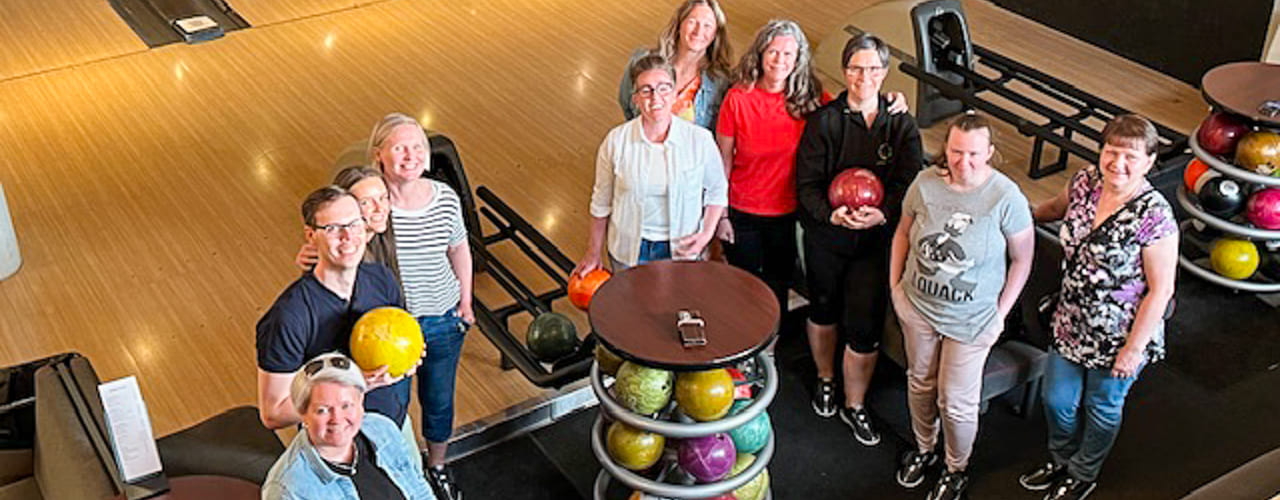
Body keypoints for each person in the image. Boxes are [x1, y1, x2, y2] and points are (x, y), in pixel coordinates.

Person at [1019, 114, 1178, 500]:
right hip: (1071, 320)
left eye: (1130, 156)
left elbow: (1161, 290)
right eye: (1111, 151)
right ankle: (1061, 458)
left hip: (1120, 334)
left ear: (1149, 162)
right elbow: (1053, 209)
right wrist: (1015, 215)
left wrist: (1133, 350)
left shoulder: (1154, 216)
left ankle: (1082, 472)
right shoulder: (1085, 182)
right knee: (1057, 400)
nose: (1118, 163)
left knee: (1102, 405)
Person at [715, 20, 908, 317]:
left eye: (788, 54)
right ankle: (745, 342)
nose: (779, 60)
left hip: (788, 213)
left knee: (778, 286)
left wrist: (889, 99)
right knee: (744, 287)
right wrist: (721, 215)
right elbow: (722, 161)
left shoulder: (809, 98)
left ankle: (774, 341)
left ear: (798, 60)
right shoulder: (738, 98)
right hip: (743, 212)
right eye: (773, 52)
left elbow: (854, 102)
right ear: (760, 54)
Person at [888, 113, 1035, 500]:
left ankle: (956, 467)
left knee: (955, 402)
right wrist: (896, 288)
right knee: (920, 383)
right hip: (918, 307)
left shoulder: (1005, 197)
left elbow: (1022, 259)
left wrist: (1000, 315)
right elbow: (902, 232)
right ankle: (924, 448)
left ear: (989, 152)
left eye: (972, 153)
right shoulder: (925, 183)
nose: (963, 161)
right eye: (956, 151)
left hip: (972, 320)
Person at [795, 33, 923, 445]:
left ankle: (855, 404)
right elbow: (807, 185)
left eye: (872, 69)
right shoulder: (824, 122)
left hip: (876, 242)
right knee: (823, 308)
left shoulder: (900, 123)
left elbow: (910, 183)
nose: (864, 77)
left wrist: (883, 213)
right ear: (845, 70)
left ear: (884, 73)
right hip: (827, 237)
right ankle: (825, 379)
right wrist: (830, 214)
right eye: (855, 68)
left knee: (864, 324)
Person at [369, 113, 473, 500]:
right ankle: (401, 472)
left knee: (439, 401)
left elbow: (459, 249)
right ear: (378, 155)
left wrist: (466, 301)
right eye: (399, 147)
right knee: (393, 406)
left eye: (418, 147)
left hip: (444, 318)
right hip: (392, 330)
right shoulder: (373, 208)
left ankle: (438, 466)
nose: (410, 155)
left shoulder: (444, 198)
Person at [257, 186, 414, 433]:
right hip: (334, 440)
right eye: (333, 228)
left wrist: (410, 355)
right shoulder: (289, 317)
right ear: (311, 236)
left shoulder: (381, 279)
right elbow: (273, 413)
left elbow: (401, 336)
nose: (347, 236)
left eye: (354, 224)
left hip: (393, 426)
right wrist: (357, 383)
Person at [576, 52, 728, 275]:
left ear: (675, 93)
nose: (655, 98)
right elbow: (601, 202)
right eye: (646, 90)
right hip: (629, 251)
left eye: (663, 88)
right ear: (635, 99)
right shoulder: (616, 141)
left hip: (683, 250)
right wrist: (593, 252)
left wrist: (706, 234)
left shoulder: (700, 140)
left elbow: (717, 190)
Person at [261, 353, 435, 500]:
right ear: (302, 413)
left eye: (346, 406)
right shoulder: (288, 489)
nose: (337, 419)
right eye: (323, 410)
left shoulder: (383, 429)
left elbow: (419, 490)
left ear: (361, 402)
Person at [618, 0, 732, 130]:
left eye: (707, 25)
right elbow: (626, 104)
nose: (698, 31)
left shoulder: (720, 82)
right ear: (679, 24)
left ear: (715, 35)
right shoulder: (641, 60)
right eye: (692, 22)